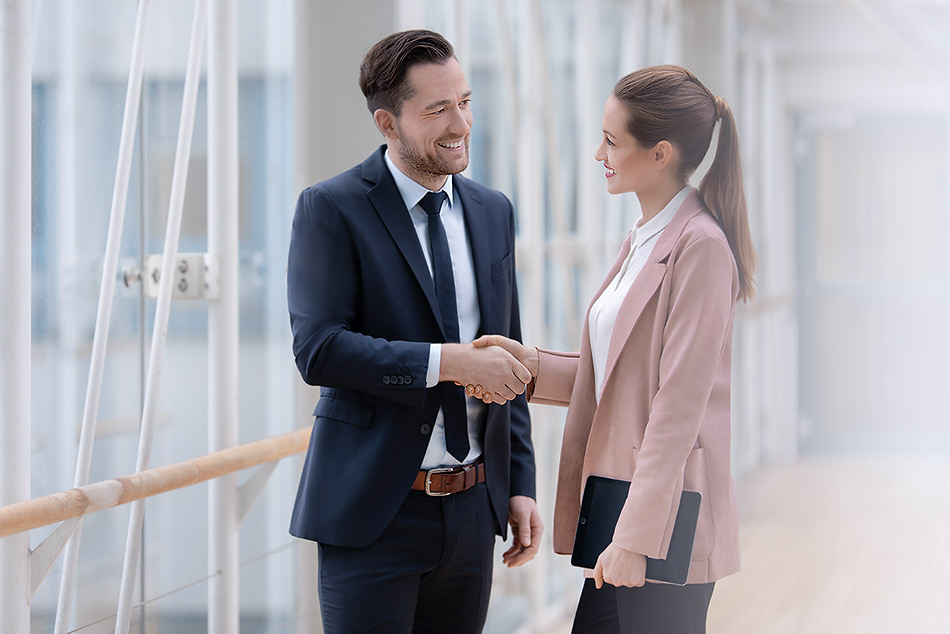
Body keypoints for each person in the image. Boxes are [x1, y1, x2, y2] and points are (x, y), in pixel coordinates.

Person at [470, 65, 755, 633]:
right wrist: (525, 368)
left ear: (660, 154)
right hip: (620, 505)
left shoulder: (700, 247)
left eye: (611, 140)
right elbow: (621, 374)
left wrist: (635, 540)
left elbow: (677, 408)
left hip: (661, 522)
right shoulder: (643, 238)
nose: (598, 152)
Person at [286, 29, 543, 633]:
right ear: (387, 121)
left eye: (465, 101)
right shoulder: (331, 208)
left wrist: (520, 483)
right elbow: (318, 350)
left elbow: (509, 357)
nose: (461, 123)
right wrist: (447, 363)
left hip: (474, 512)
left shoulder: (493, 210)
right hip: (375, 512)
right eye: (437, 109)